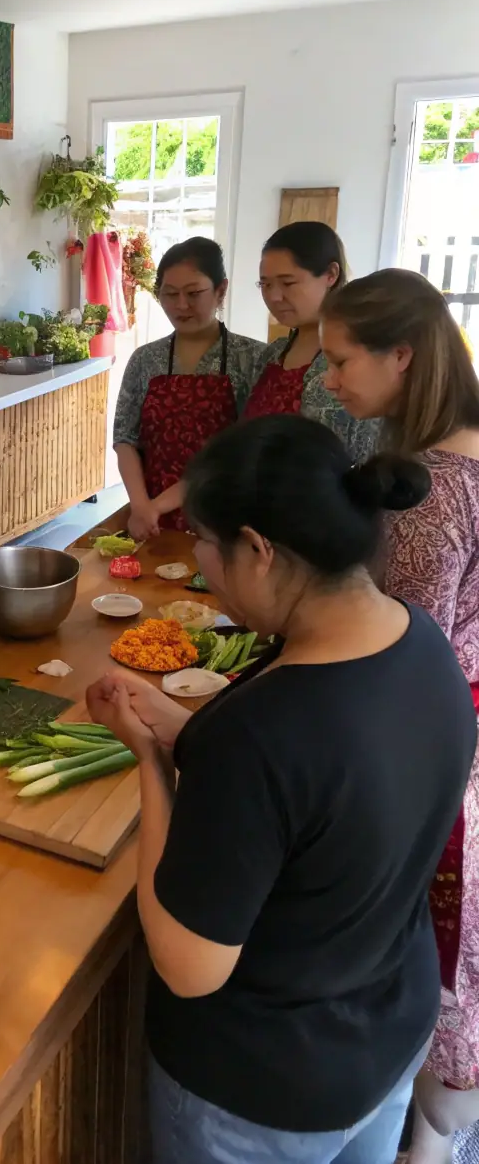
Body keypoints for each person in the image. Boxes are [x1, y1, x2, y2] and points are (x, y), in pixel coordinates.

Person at [86, 415, 476, 1164]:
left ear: (259, 549)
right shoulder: (421, 642)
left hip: (264, 1087)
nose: (199, 559)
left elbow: (187, 963)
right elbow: (329, 795)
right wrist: (176, 725)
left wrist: (150, 765)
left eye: (204, 539)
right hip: (387, 1035)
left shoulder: (264, 734)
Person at [321, 269, 479, 1163]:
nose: (330, 379)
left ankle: (418, 1131)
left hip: (428, 751)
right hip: (467, 730)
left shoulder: (425, 492)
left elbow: (394, 653)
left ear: (402, 356)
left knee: (428, 954)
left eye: (342, 361)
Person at [113, 237, 262, 540]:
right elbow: (125, 438)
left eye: (194, 293)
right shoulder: (145, 360)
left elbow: (242, 452)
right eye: (170, 294)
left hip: (222, 519)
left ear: (221, 290)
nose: (181, 305)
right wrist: (142, 506)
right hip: (153, 520)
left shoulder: (253, 358)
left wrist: (157, 505)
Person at [246, 221, 377, 459]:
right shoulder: (270, 357)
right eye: (265, 284)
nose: (274, 296)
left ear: (331, 275)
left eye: (288, 283)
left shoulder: (361, 356)